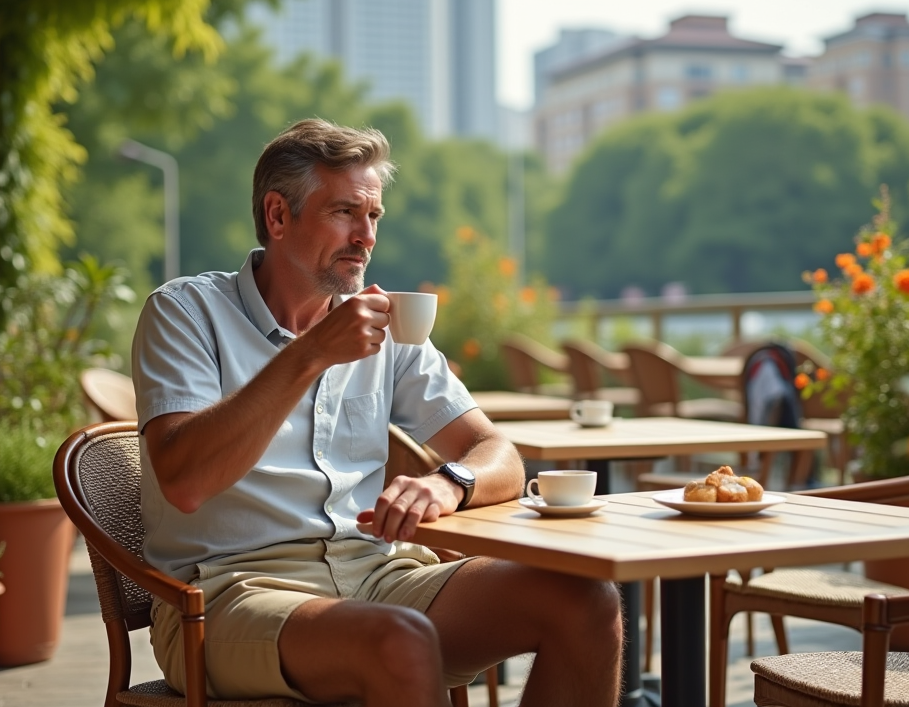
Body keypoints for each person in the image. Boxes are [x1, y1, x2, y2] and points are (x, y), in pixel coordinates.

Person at [132, 119, 622, 707]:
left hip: (377, 576)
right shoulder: (185, 313)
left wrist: (450, 483)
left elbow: (500, 455)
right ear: (278, 216)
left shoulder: (388, 328)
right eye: (344, 212)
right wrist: (312, 354)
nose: (366, 236)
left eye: (374, 217)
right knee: (400, 640)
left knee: (585, 600)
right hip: (227, 595)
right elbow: (184, 481)